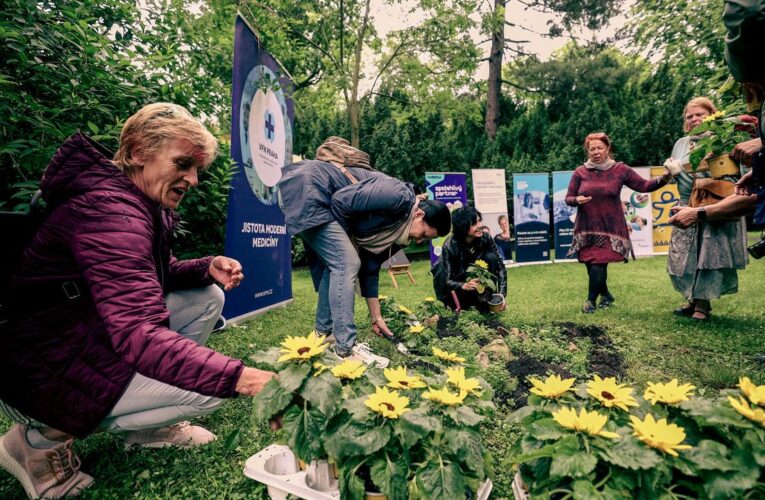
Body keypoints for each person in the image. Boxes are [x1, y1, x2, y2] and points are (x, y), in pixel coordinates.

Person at [0, 103, 277, 498]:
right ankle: (36, 443)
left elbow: (148, 278)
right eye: (183, 164)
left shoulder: (135, 202)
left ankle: (144, 428)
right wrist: (246, 379)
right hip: (37, 371)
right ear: (136, 153)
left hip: (75, 337)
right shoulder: (111, 212)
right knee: (207, 390)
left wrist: (204, 266)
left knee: (206, 296)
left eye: (198, 169)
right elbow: (138, 333)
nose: (194, 179)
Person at [278, 137, 450, 366]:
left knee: (341, 262)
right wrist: (348, 244)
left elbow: (370, 268)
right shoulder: (398, 196)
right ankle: (345, 351)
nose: (420, 240)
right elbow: (341, 200)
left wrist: (376, 316)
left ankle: (322, 335)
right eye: (425, 234)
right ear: (419, 215)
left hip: (312, 194)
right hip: (308, 187)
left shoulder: (396, 233)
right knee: (346, 261)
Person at [663, 97, 751, 321]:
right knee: (686, 256)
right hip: (687, 204)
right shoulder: (682, 143)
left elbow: (737, 174)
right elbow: (681, 178)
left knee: (708, 256)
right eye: (689, 116)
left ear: (711, 114)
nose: (694, 119)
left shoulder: (724, 139)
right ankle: (692, 299)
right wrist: (674, 175)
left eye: (699, 114)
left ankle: (702, 305)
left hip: (714, 205)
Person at [566, 132, 672, 313]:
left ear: (608, 148)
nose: (596, 152)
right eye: (592, 149)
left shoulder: (620, 170)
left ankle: (590, 301)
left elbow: (644, 186)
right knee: (590, 263)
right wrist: (576, 200)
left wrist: (664, 178)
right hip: (587, 226)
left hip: (610, 226)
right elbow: (568, 198)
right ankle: (606, 295)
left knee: (599, 261)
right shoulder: (580, 172)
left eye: (600, 148)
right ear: (587, 151)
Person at [432, 207, 507, 313]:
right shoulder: (449, 245)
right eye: (474, 224)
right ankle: (455, 305)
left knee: (491, 257)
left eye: (480, 221)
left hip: (477, 280)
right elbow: (446, 281)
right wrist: (463, 285)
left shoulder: (486, 238)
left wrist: (501, 295)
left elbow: (500, 268)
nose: (480, 226)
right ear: (462, 227)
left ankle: (489, 300)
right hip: (460, 284)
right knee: (439, 268)